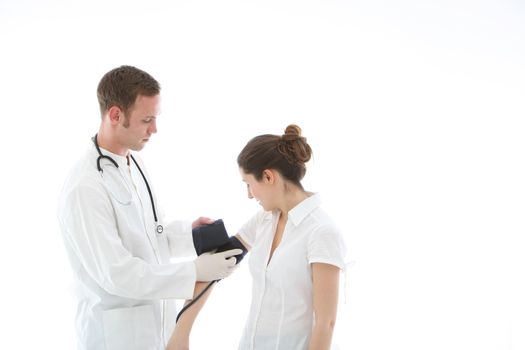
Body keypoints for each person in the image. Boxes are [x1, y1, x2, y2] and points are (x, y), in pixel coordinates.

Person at [57, 65, 241, 350]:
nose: (154, 129)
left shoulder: (133, 163)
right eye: (147, 120)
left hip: (155, 329)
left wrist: (190, 236)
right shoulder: (85, 188)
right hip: (115, 338)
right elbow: (118, 273)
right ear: (115, 115)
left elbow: (150, 233)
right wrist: (193, 271)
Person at [167, 124, 347, 350]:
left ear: (268, 176)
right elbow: (215, 266)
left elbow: (326, 323)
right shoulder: (264, 220)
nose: (249, 195)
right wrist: (180, 334)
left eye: (249, 184)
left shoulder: (321, 232)